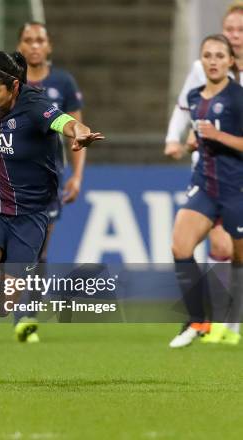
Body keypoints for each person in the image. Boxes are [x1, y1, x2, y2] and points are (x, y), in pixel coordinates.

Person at [0, 50, 103, 390]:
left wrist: (79, 131)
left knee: (4, 303)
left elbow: (65, 122)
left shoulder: (36, 107)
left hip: (31, 214)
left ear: (14, 87)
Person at [0, 22, 85, 343]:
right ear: (21, 46)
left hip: (40, 189)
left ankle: (26, 310)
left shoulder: (56, 86)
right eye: (28, 40)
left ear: (48, 46)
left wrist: (78, 170)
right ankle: (16, 308)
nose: (35, 46)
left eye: (40, 40)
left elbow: (70, 123)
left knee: (34, 261)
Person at [168, 34, 243, 348]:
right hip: (205, 185)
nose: (213, 61)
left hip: (236, 188)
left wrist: (219, 136)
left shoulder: (239, 98)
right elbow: (200, 136)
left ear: (230, 62)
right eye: (207, 56)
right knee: (180, 247)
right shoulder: (196, 97)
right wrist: (192, 143)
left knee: (238, 258)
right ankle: (198, 320)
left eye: (219, 56)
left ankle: (235, 322)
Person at [164, 4, 243, 275]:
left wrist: (218, 134)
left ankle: (227, 315)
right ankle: (210, 317)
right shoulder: (204, 67)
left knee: (235, 250)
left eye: (240, 30)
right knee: (218, 246)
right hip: (209, 172)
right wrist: (176, 138)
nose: (234, 35)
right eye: (229, 29)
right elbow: (186, 106)